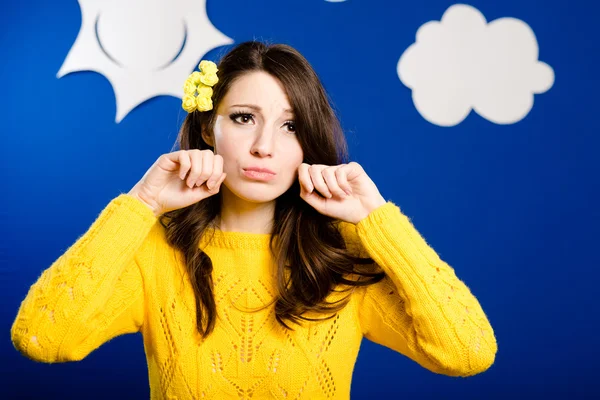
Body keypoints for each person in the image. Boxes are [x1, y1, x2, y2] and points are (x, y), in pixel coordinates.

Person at [11, 40, 497, 399]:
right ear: (208, 127)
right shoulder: (153, 251)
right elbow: (42, 337)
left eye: (290, 126)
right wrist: (140, 205)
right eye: (244, 117)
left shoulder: (342, 257)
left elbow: (468, 350)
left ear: (308, 142)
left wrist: (379, 220)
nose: (265, 145)